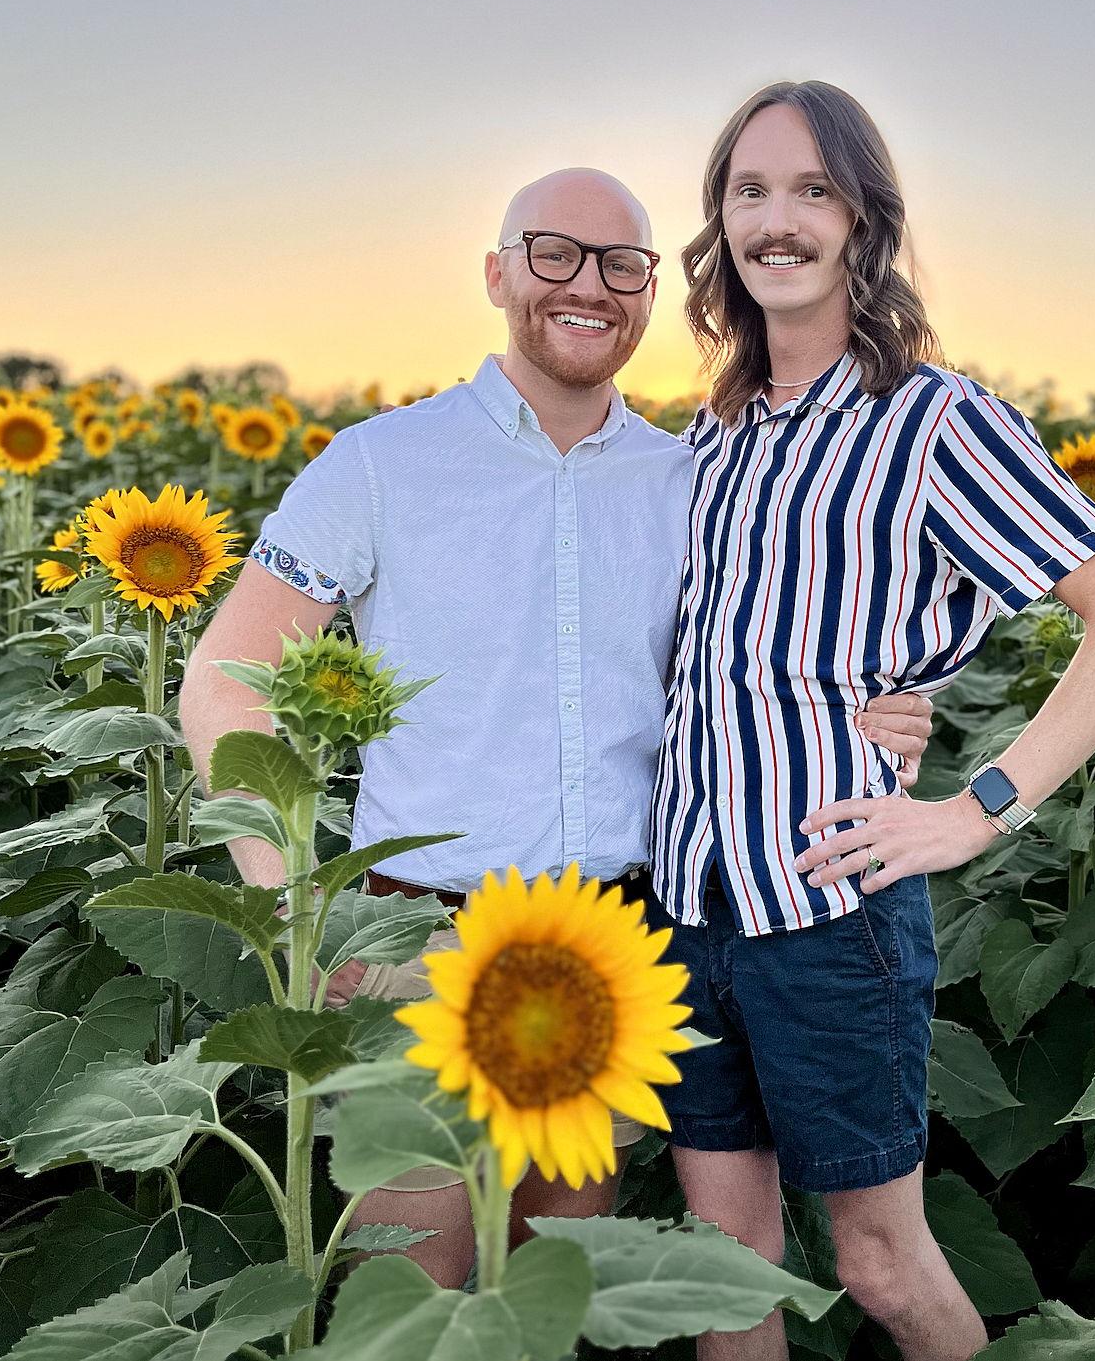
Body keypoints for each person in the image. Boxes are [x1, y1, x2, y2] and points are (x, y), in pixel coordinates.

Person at [178, 166, 934, 1288]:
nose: (589, 286)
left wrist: (891, 703)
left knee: (550, 1289)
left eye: (623, 265)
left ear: (647, 297)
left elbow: (767, 655)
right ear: (496, 274)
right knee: (412, 1287)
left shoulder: (689, 480)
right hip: (416, 942)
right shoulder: (383, 464)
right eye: (554, 254)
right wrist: (294, 897)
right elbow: (223, 680)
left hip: (603, 944)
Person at [644, 82, 1095, 1361]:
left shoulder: (933, 420)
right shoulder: (713, 434)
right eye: (748, 191)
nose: (775, 220)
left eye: (810, 191)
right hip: (688, 902)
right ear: (721, 224)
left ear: (861, 221)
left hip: (831, 911)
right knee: (726, 1271)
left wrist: (975, 807)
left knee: (885, 1268)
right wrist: (910, 682)